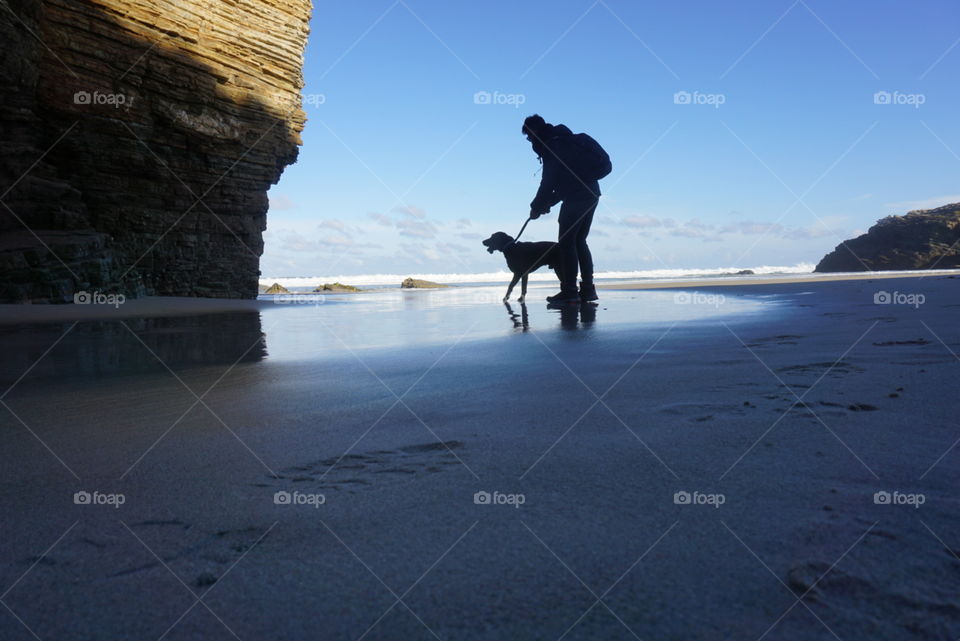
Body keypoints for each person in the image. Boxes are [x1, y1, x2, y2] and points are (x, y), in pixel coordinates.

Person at [522, 114, 609, 304]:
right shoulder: (569, 141)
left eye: (528, 136)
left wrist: (537, 206)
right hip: (592, 194)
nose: (529, 141)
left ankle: (569, 292)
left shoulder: (553, 145)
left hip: (576, 197)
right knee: (579, 241)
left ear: (533, 131)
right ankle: (588, 290)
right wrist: (546, 203)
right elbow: (564, 182)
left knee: (566, 242)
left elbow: (549, 182)